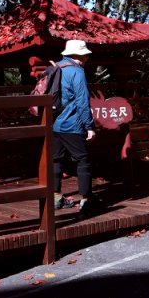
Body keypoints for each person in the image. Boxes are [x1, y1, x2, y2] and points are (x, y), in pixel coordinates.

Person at [50, 39, 102, 219]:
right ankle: (87, 200)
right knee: (83, 160)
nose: (87, 57)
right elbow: (82, 101)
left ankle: (56, 197)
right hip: (71, 124)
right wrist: (90, 126)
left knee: (56, 159)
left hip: (54, 123)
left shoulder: (56, 67)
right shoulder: (77, 71)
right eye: (86, 54)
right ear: (79, 55)